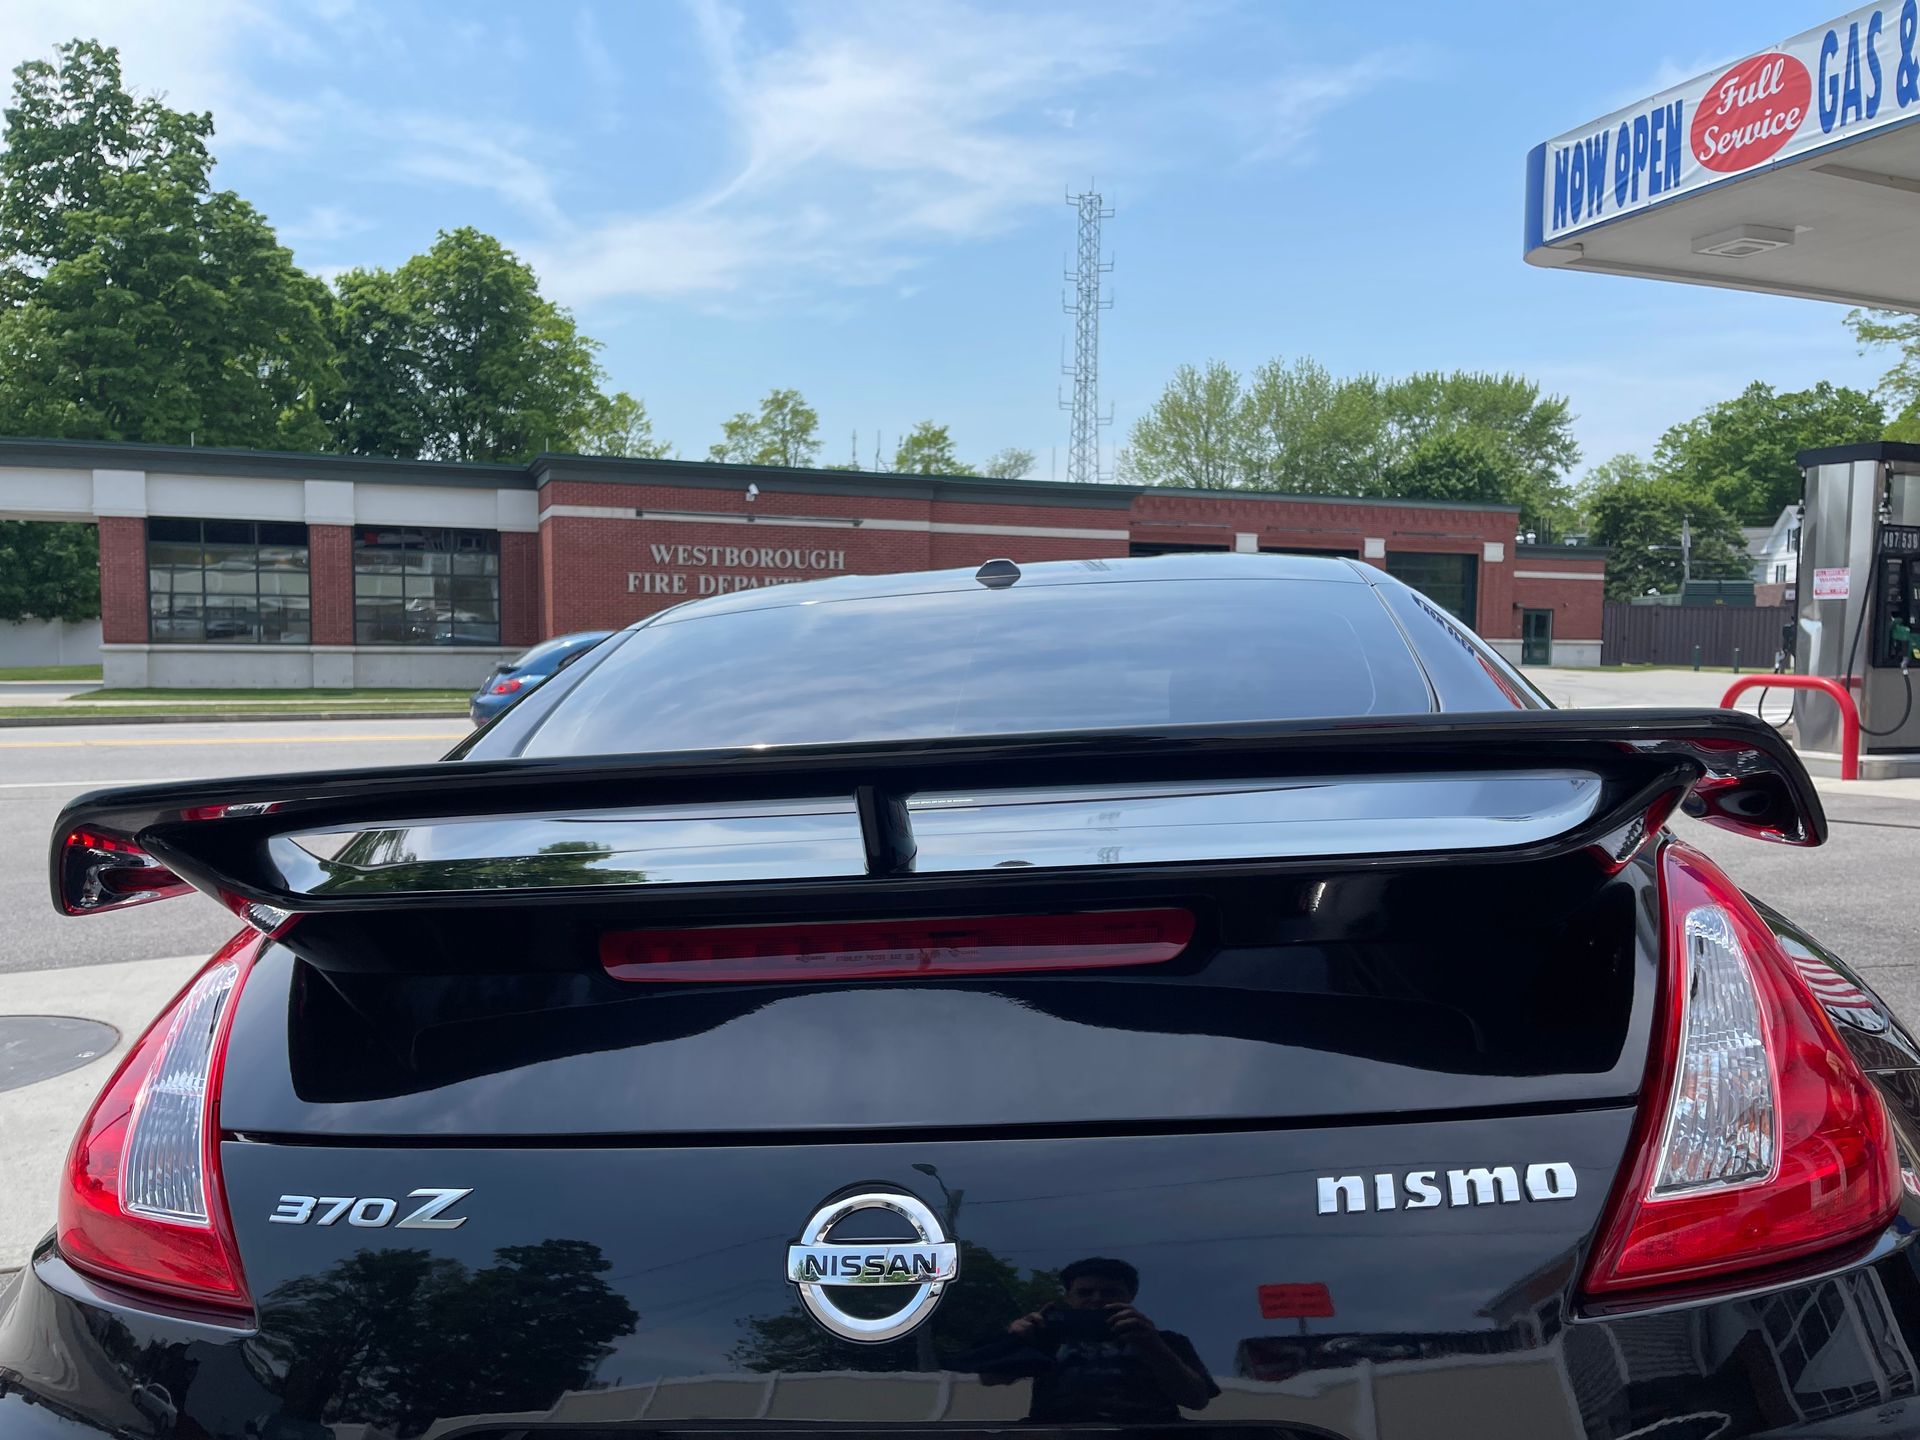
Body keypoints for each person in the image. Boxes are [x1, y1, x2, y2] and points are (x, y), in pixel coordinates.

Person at [976, 1256, 1217, 1424]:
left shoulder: (1166, 1341)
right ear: (1068, 1298)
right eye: (1085, 1293)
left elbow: (1196, 1400)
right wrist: (1016, 1340)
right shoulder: (1049, 1339)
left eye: (1109, 1292)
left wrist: (1152, 1346)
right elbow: (990, 1378)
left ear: (1130, 1296)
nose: (1096, 1299)